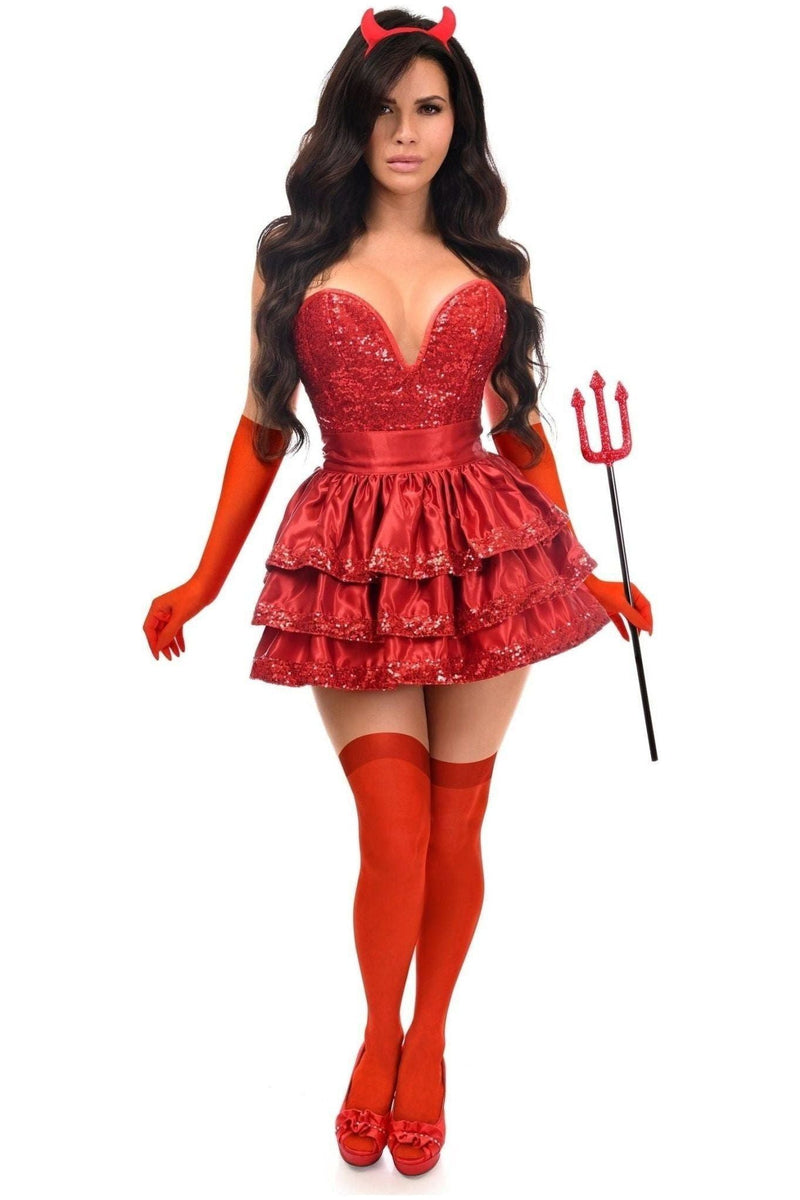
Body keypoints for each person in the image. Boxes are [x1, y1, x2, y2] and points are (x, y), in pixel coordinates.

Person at [143, 5, 653, 1177]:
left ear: (456, 121)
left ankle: (431, 1043)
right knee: (394, 827)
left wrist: (584, 570)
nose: (407, 133)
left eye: (429, 108)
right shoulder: (292, 256)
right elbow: (262, 428)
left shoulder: (495, 265)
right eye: (384, 111)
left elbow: (518, 432)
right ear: (351, 121)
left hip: (485, 559)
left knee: (458, 825)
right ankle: (378, 1033)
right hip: (354, 567)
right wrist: (204, 579)